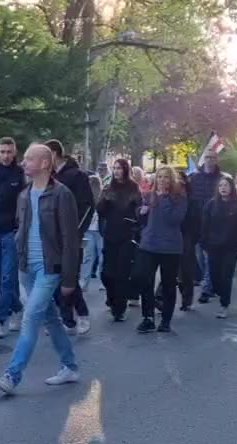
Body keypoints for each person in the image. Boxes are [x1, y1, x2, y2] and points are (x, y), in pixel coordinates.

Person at [0, 144, 80, 395]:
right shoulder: (24, 194)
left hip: (49, 267)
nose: (23, 163)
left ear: (44, 163)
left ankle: (12, 375)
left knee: (30, 318)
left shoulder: (62, 194)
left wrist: (69, 277)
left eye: (29, 159)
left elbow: (71, 239)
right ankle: (70, 366)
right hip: (26, 266)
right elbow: (22, 228)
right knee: (50, 318)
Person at [45, 139, 93, 334]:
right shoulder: (49, 177)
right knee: (55, 279)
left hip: (69, 236)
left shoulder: (76, 176)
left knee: (68, 277)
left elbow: (87, 205)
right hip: (51, 237)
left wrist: (76, 232)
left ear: (54, 154)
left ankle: (81, 314)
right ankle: (67, 320)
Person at [133, 168, 189, 333]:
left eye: (166, 178)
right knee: (145, 280)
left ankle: (166, 320)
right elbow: (142, 217)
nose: (162, 180)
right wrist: (141, 211)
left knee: (168, 284)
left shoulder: (179, 198)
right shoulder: (150, 195)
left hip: (170, 247)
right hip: (149, 244)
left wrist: (163, 197)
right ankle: (148, 317)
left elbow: (174, 219)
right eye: (160, 177)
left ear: (172, 181)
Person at [0, 137, 25, 337]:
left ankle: (1, 318)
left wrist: (21, 227)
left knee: (8, 277)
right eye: (3, 152)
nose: (6, 155)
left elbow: (24, 202)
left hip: (11, 231)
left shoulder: (21, 174)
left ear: (15, 152)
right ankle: (17, 307)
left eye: (9, 152)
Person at [97, 159, 141, 321]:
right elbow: (100, 211)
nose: (116, 171)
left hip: (126, 234)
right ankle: (112, 297)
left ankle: (119, 308)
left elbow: (139, 209)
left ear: (125, 170)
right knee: (107, 273)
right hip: (110, 234)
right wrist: (104, 200)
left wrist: (137, 216)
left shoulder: (133, 188)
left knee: (122, 273)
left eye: (119, 168)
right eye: (114, 168)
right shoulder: (108, 188)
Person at [201, 177, 237, 318]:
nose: (223, 188)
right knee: (215, 276)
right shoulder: (211, 205)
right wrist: (204, 243)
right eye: (221, 185)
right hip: (213, 246)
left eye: (226, 185)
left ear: (231, 188)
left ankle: (224, 304)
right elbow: (204, 225)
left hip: (231, 246)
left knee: (226, 276)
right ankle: (219, 291)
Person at [188, 152, 223, 304]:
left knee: (209, 256)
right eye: (207, 157)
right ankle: (207, 281)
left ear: (217, 160)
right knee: (199, 255)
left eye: (213, 158)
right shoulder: (195, 178)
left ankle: (207, 288)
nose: (210, 160)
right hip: (196, 222)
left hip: (214, 222)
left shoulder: (222, 179)